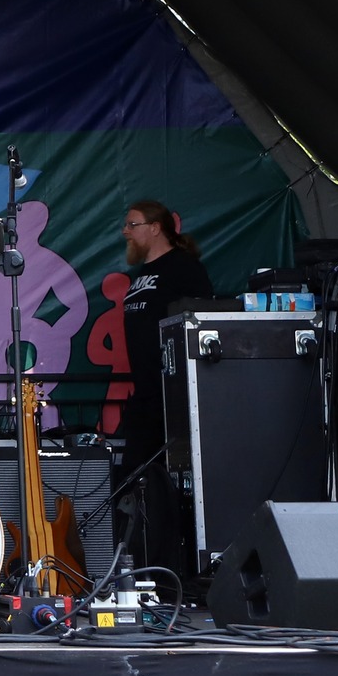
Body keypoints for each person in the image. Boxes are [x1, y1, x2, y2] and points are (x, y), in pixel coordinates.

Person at [116, 199, 213, 571]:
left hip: (173, 398)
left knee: (170, 488)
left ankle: (172, 569)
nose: (126, 231)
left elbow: (200, 325)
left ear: (155, 228)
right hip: (144, 397)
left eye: (133, 224)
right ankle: (140, 568)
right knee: (135, 484)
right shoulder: (141, 274)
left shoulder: (184, 269)